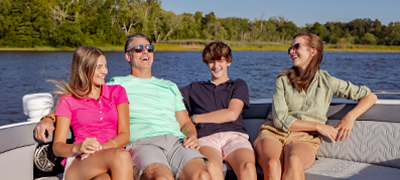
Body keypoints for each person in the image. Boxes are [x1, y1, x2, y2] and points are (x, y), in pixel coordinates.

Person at [35, 34, 210, 180]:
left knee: (204, 175)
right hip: (122, 149)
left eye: (149, 48)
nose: (145, 52)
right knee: (131, 161)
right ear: (128, 56)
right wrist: (49, 119)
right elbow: (74, 100)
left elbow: (184, 122)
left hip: (167, 142)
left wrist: (192, 136)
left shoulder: (120, 91)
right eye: (138, 49)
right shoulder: (116, 84)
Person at [253, 33, 378, 180]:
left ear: (313, 51)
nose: (291, 51)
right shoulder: (283, 81)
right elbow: (280, 120)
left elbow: (370, 96)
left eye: (297, 46)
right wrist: (318, 126)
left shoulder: (327, 81)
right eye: (290, 48)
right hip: (274, 132)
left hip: (305, 138)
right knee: (273, 164)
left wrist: (349, 117)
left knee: (294, 161)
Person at [51, 46, 133, 180]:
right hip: (80, 162)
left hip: (111, 156)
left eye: (105, 66)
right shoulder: (68, 100)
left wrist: (101, 148)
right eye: (99, 67)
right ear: (84, 69)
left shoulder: (117, 92)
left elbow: (125, 135)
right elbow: (57, 147)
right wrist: (78, 147)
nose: (105, 71)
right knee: (122, 155)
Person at [180, 41, 256, 180]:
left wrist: (195, 118)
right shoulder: (194, 88)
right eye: (211, 61)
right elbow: (169, 100)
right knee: (211, 166)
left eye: (220, 60)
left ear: (229, 61)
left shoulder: (237, 85)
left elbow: (232, 114)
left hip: (235, 136)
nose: (216, 66)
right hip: (207, 137)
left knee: (248, 167)